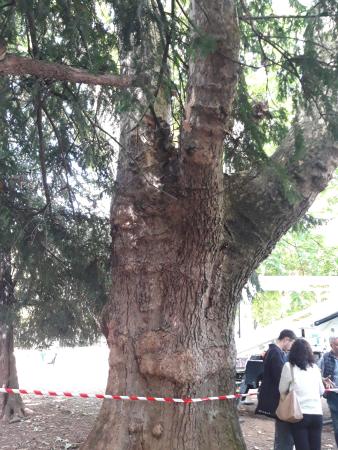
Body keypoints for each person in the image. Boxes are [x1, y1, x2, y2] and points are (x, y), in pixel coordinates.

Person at [279, 338, 324, 450]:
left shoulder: (288, 367)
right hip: (317, 414)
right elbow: (321, 391)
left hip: (299, 414)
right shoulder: (315, 368)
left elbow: (281, 389)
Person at [255, 329, 297, 450]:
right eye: (291, 344)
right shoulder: (275, 353)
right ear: (286, 340)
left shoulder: (274, 352)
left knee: (282, 435)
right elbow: (281, 377)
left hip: (277, 397)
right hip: (277, 399)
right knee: (284, 436)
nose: (290, 348)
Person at [319, 336, 338, 447]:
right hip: (333, 395)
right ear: (331, 345)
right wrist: (323, 380)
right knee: (336, 423)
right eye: (337, 345)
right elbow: (317, 373)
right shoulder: (325, 358)